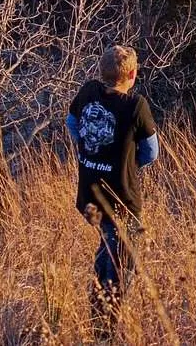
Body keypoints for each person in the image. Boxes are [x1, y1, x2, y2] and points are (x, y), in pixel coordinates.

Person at [66, 45, 159, 310]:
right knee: (122, 261)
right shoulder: (136, 105)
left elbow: (71, 123)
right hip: (121, 197)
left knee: (109, 238)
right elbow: (152, 153)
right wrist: (128, 164)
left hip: (89, 193)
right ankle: (104, 322)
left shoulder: (88, 91)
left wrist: (89, 149)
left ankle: (98, 304)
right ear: (132, 74)